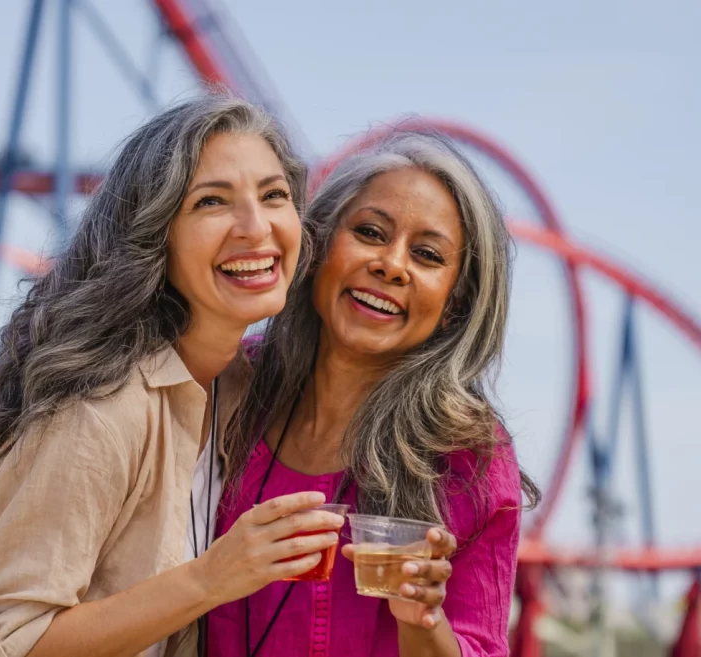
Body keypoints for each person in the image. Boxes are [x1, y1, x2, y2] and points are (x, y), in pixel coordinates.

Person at [0, 94, 347, 657]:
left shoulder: (245, 394)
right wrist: (210, 578)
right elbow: (4, 644)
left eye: (274, 196)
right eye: (211, 202)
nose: (256, 227)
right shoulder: (101, 410)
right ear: (155, 236)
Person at [208, 130, 540, 657]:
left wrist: (421, 619)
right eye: (369, 232)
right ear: (316, 245)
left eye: (427, 255)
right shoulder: (226, 386)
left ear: (454, 304)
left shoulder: (467, 456)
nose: (392, 265)